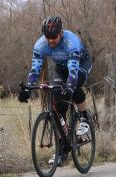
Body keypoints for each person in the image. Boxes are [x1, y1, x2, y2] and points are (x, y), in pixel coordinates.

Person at [18, 16, 93, 165]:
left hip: (80, 64)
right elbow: (35, 69)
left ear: (61, 33)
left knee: (75, 84)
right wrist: (28, 88)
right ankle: (62, 147)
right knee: (58, 107)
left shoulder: (71, 42)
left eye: (54, 37)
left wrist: (70, 88)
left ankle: (84, 118)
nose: (51, 40)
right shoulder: (40, 45)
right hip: (61, 68)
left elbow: (73, 72)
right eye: (48, 37)